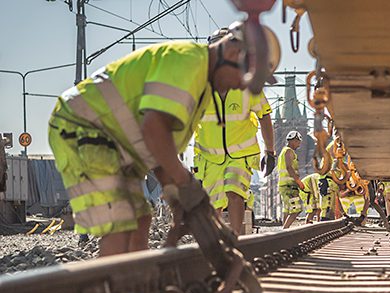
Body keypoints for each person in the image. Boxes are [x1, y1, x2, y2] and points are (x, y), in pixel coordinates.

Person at [48, 22, 249, 257]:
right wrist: (186, 184)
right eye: (245, 75)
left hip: (113, 140)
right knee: (121, 223)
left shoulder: (203, 88)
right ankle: (110, 290)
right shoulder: (188, 61)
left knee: (141, 218)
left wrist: (175, 194)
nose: (242, 84)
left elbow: (161, 151)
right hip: (84, 126)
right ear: (234, 54)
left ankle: (139, 286)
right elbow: (153, 130)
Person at [194, 28, 276, 235]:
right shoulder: (199, 85)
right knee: (214, 203)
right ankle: (217, 241)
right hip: (209, 156)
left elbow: (264, 115)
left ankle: (237, 238)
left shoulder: (247, 85)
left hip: (241, 154)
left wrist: (270, 151)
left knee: (234, 192)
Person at [278, 130, 305, 229]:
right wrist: (299, 182)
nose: (299, 145)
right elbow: (289, 168)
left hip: (285, 186)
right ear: (294, 140)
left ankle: (284, 231)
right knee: (297, 209)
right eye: (298, 142)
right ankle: (284, 231)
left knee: (287, 209)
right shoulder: (289, 151)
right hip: (289, 186)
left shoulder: (283, 151)